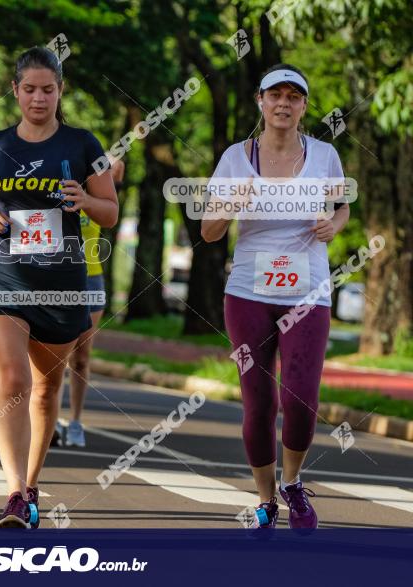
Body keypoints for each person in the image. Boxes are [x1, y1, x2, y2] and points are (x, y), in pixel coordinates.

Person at [0, 48, 118, 528]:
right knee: (14, 377)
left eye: (48, 90)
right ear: (15, 91)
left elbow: (111, 211)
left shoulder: (83, 144)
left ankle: (30, 484)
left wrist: (86, 200)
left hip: (59, 281)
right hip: (1, 273)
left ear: (60, 91)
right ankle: (13, 492)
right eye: (29, 89)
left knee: (47, 388)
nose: (38, 98)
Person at [201, 64, 350, 531]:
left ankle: (292, 482)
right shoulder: (235, 158)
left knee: (301, 396)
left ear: (304, 106)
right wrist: (231, 204)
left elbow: (342, 205)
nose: (284, 103)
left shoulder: (325, 155)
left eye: (294, 96)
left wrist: (335, 224)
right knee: (259, 401)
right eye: (275, 95)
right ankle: (266, 498)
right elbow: (208, 231)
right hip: (248, 293)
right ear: (260, 103)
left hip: (308, 291)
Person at [55, 159, 124, 448]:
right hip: (57, 278)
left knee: (81, 357)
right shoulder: (58, 191)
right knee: (55, 356)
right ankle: (51, 421)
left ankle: (76, 421)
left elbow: (117, 165)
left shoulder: (97, 197)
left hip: (91, 279)